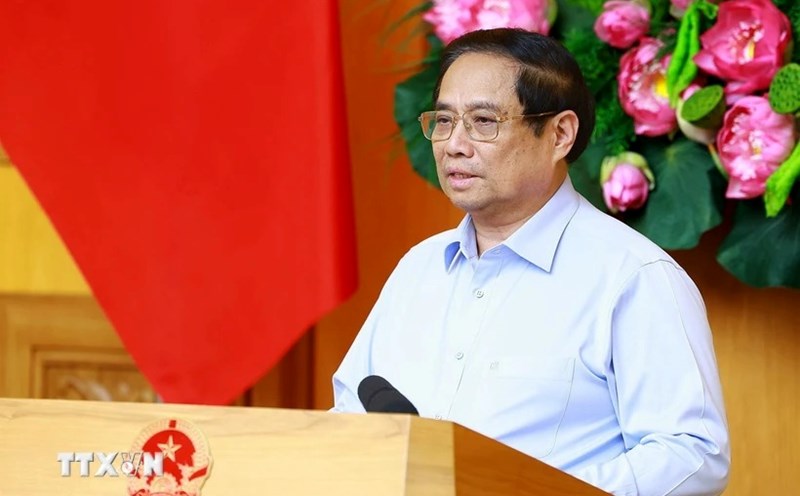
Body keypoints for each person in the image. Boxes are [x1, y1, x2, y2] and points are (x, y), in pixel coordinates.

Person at [330, 28, 730, 495]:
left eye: (483, 121)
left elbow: (693, 455)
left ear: (559, 134)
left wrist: (528, 489)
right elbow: (350, 415)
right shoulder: (419, 269)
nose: (454, 144)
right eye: (443, 120)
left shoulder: (631, 277)